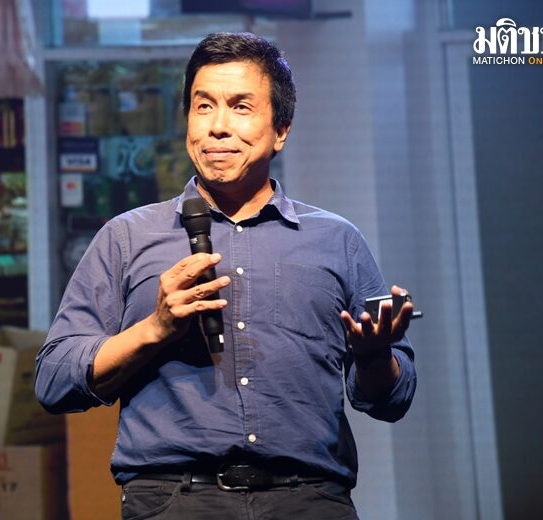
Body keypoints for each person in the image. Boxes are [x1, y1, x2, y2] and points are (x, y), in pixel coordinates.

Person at [35, 32, 416, 520]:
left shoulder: (337, 240)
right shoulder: (126, 238)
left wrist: (373, 355)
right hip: (174, 501)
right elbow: (54, 380)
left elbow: (392, 399)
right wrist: (154, 330)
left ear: (280, 130)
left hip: (309, 500)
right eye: (203, 106)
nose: (217, 127)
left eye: (240, 107)